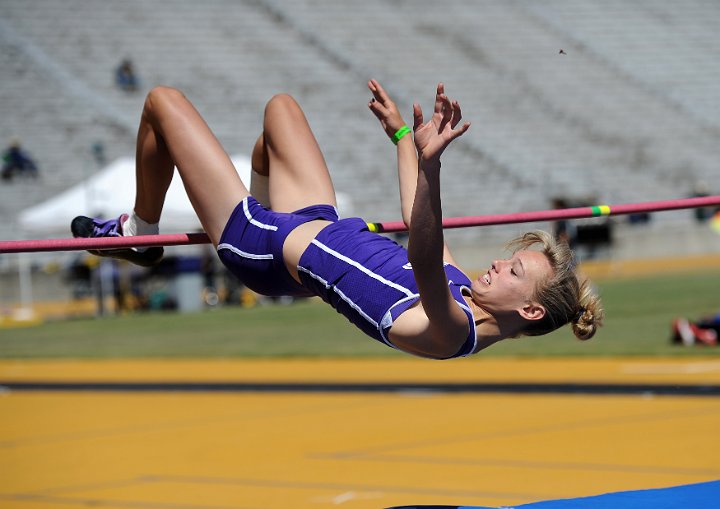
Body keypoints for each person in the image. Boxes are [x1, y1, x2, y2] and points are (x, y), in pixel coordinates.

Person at [71, 80, 603, 359]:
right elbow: (412, 213)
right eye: (509, 260)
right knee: (280, 113)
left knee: (163, 103)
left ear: (530, 310)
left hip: (263, 246)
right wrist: (403, 141)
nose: (497, 263)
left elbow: (422, 249)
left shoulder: (453, 328)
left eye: (513, 271)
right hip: (314, 222)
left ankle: (137, 236)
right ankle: (255, 198)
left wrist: (433, 167)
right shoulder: (465, 291)